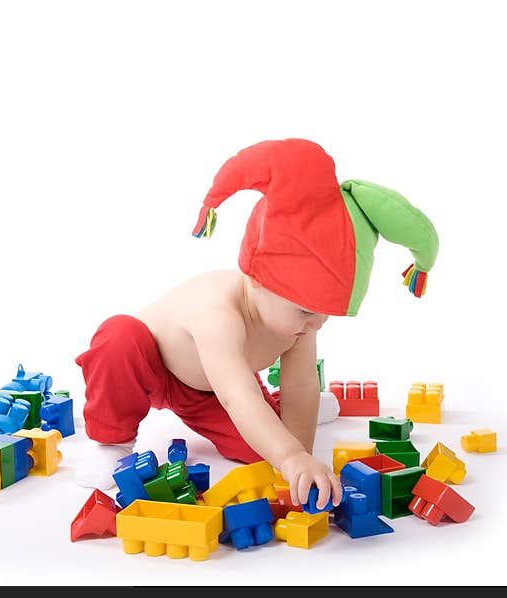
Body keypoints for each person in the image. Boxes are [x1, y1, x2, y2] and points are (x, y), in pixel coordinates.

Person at [74, 138, 439, 512]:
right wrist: (291, 455)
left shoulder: (300, 324)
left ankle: (284, 424)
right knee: (119, 339)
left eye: (326, 312)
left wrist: (297, 456)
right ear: (257, 281)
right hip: (153, 368)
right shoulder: (218, 314)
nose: (316, 323)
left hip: (210, 393)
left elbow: (299, 383)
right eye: (304, 311)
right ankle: (111, 442)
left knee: (268, 449)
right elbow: (239, 395)